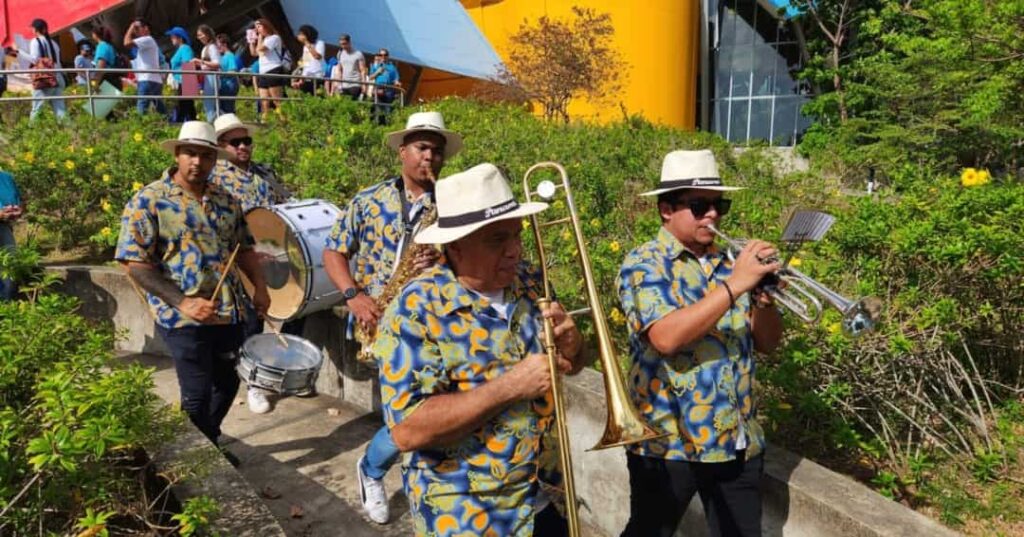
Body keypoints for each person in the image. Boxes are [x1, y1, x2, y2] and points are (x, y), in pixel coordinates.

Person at [372, 162, 586, 535]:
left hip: (544, 494)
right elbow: (407, 430)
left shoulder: (531, 282)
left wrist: (574, 343)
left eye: (516, 236)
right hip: (467, 513)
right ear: (454, 245)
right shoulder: (416, 310)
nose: (514, 250)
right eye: (496, 240)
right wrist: (510, 386)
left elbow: (575, 363)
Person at [616, 149, 785, 537]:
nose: (712, 214)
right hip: (668, 442)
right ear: (666, 209)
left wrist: (765, 301)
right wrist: (736, 285)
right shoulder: (644, 263)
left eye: (718, 204)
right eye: (698, 206)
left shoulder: (732, 261)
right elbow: (665, 337)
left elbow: (769, 343)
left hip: (736, 439)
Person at [322, 111, 462, 524]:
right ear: (402, 151)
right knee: (405, 415)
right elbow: (334, 251)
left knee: (431, 412)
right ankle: (372, 470)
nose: (430, 158)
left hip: (438, 323)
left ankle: (412, 474)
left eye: (437, 151)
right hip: (381, 322)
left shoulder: (453, 206)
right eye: (422, 148)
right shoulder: (367, 200)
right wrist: (354, 296)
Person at [116, 121, 270, 464]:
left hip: (227, 310)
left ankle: (206, 443)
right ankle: (195, 463)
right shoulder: (149, 200)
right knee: (197, 393)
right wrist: (184, 302)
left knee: (227, 384)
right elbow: (133, 262)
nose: (196, 162)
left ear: (215, 159)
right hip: (180, 315)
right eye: (190, 153)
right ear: (177, 154)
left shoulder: (226, 201)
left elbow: (243, 249)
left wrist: (260, 288)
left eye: (204, 155)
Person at [210, 113, 297, 414]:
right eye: (236, 142)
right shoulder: (214, 176)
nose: (244, 146)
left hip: (273, 252)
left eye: (247, 140)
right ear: (221, 146)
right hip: (239, 261)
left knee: (299, 306)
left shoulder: (265, 172)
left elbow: (283, 206)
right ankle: (255, 384)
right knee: (252, 323)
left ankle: (284, 372)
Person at [17, 19, 66, 121]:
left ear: (35, 29)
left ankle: (30, 133)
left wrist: (19, 52)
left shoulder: (35, 41)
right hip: (58, 78)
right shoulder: (53, 43)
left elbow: (35, 60)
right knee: (60, 109)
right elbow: (58, 62)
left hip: (45, 79)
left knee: (37, 109)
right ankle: (70, 131)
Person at [123, 18, 165, 115]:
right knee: (160, 108)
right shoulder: (147, 42)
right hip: (153, 79)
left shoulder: (148, 39)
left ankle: (140, 127)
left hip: (147, 79)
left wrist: (130, 27)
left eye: (137, 27)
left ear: (146, 28)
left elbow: (126, 43)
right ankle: (169, 124)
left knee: (142, 108)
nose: (135, 30)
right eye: (135, 28)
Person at [248, 18, 287, 120]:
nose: (257, 29)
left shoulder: (274, 38)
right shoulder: (263, 40)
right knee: (264, 101)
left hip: (273, 69)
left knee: (276, 100)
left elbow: (261, 49)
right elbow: (254, 53)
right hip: (263, 71)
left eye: (259, 26)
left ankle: (284, 120)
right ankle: (265, 120)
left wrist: (259, 37)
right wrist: (251, 41)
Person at [0, 168, 24, 300]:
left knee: (10, 270)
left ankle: (6, 310)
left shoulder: (6, 178)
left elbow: (19, 200)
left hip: (3, 228)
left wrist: (17, 210)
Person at [167, 26, 197, 123]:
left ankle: (179, 126)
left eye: (173, 37)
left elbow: (187, 63)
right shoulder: (181, 49)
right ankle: (191, 125)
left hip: (186, 80)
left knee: (184, 106)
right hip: (183, 80)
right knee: (187, 107)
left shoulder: (185, 48)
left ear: (180, 38)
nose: (171, 39)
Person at [194, 25, 222, 120]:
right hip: (207, 76)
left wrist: (200, 62)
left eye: (201, 35)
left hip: (212, 76)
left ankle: (213, 122)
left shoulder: (212, 47)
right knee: (209, 103)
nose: (199, 38)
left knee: (210, 103)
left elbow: (217, 64)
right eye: (198, 36)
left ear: (207, 34)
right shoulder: (205, 48)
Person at [368, 49, 399, 124]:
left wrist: (397, 83)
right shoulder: (376, 65)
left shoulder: (392, 67)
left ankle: (386, 126)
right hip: (378, 88)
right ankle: (377, 125)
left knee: (387, 109)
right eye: (381, 55)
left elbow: (395, 79)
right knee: (377, 108)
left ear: (388, 56)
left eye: (385, 55)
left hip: (388, 89)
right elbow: (370, 77)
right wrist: (377, 72)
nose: (383, 57)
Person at [330, 34, 365, 100]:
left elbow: (362, 70)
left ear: (349, 42)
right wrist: (338, 84)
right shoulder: (340, 54)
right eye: (341, 44)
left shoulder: (358, 54)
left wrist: (364, 84)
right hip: (344, 85)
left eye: (345, 44)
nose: (343, 46)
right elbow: (339, 70)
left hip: (355, 84)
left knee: (353, 104)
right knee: (343, 105)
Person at [292, 25, 325, 95]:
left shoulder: (319, 43)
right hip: (306, 77)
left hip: (317, 76)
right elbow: (306, 64)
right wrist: (301, 80)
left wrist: (307, 43)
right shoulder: (305, 47)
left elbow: (317, 56)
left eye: (301, 34)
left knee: (317, 97)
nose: (299, 36)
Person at [215, 34, 241, 115]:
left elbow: (233, 71)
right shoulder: (223, 57)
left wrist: (220, 75)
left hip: (229, 86)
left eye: (218, 45)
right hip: (224, 86)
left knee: (228, 109)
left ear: (224, 44)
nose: (216, 47)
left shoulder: (230, 56)